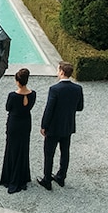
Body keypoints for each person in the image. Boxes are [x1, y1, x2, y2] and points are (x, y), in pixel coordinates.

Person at [37, 61, 84, 191]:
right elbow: (80, 107)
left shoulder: (54, 89)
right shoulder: (78, 88)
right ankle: (61, 177)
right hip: (68, 126)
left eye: (58, 70)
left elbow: (49, 109)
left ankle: (47, 180)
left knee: (49, 154)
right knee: (65, 153)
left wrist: (43, 125)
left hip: (54, 127)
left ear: (62, 72)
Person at [0, 68, 36, 194]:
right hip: (26, 123)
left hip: (14, 124)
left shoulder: (13, 95)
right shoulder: (33, 94)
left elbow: (7, 108)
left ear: (18, 81)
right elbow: (29, 106)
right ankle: (22, 175)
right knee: (23, 148)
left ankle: (10, 176)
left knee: (11, 148)